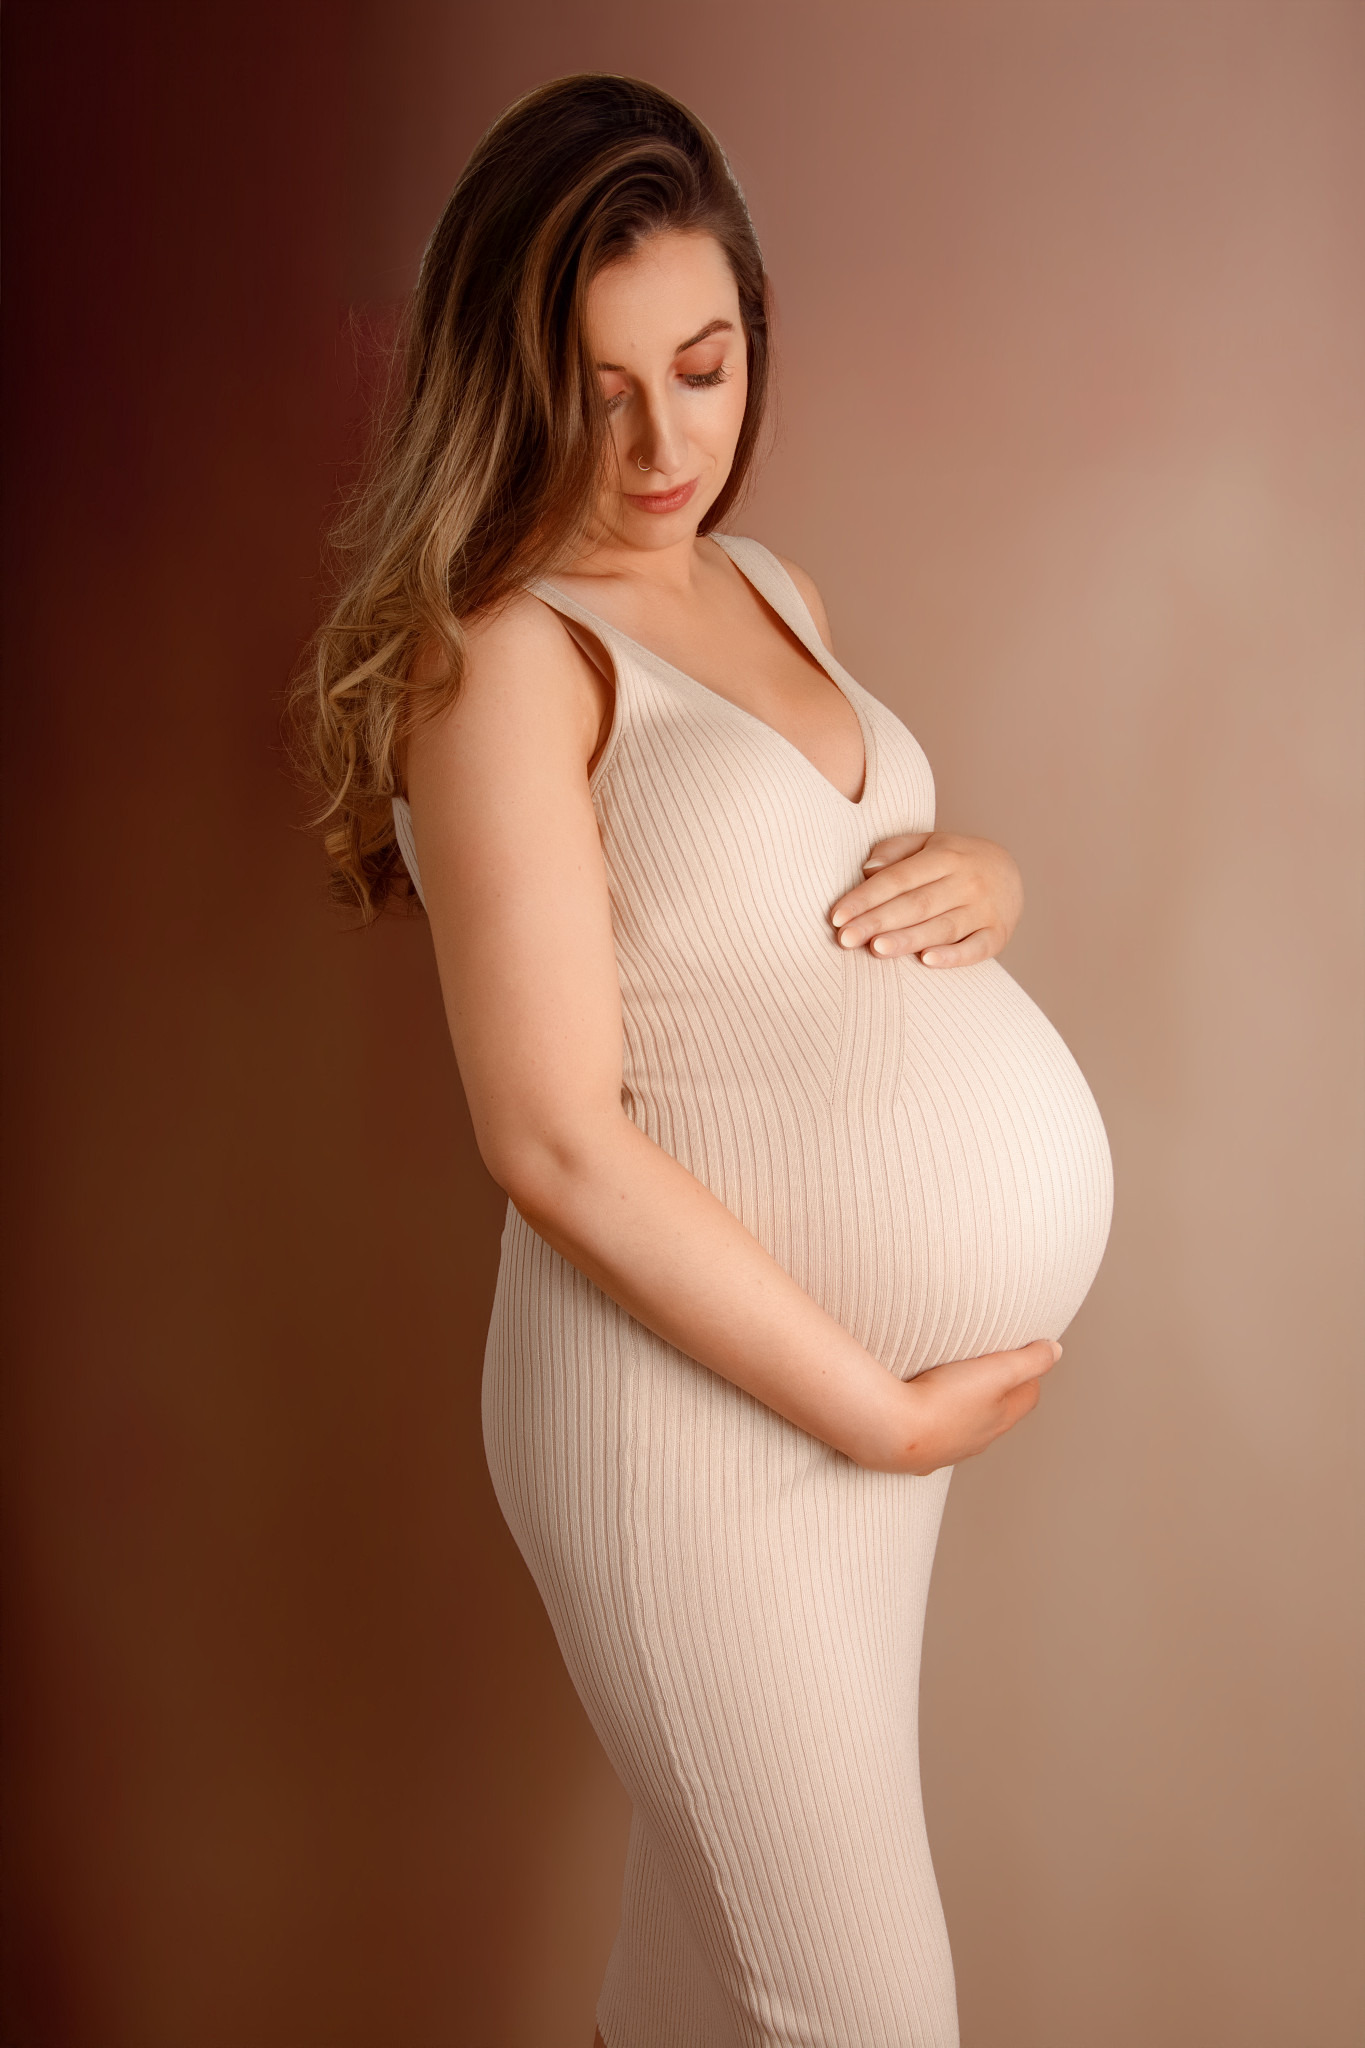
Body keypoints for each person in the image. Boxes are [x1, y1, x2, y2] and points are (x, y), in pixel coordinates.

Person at [294, 72, 1113, 2048]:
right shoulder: (493, 652)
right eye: (596, 387)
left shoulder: (765, 590)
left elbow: (796, 900)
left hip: (848, 1409)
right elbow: (550, 1136)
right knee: (854, 2005)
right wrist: (878, 1410)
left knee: (701, 1984)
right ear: (504, 380)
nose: (661, 442)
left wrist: (979, 869)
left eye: (705, 364)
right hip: (691, 1426)